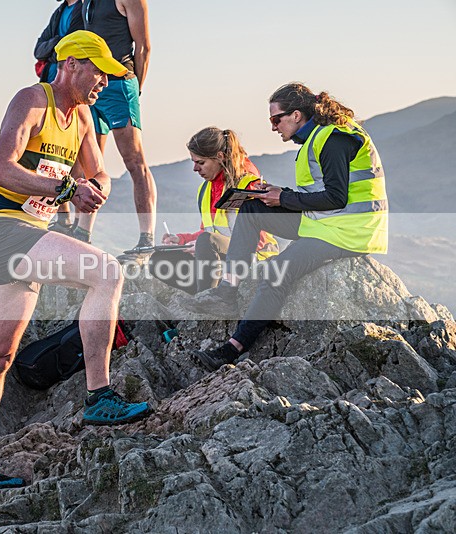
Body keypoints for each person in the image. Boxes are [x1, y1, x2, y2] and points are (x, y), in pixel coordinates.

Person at [0, 30, 151, 492]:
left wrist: (96, 187)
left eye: (110, 73)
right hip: (1, 229)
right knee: (106, 271)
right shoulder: (32, 101)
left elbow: (96, 169)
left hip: (28, 234)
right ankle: (99, 396)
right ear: (72, 65)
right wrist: (66, 190)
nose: (105, 80)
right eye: (99, 70)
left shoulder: (82, 117)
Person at [191, 83, 389, 371]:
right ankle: (227, 291)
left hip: (348, 231)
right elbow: (322, 194)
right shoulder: (318, 137)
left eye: (276, 119)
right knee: (251, 208)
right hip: (325, 221)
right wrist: (276, 194)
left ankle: (233, 348)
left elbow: (336, 197)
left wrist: (283, 197)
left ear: (296, 115)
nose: (273, 127)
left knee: (275, 272)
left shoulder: (334, 138)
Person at [149, 127, 278, 294]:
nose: (195, 169)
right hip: (222, 259)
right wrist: (180, 240)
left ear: (219, 157)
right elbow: (208, 232)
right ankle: (204, 294)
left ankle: (209, 300)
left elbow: (257, 240)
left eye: (201, 162)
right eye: (193, 162)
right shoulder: (205, 190)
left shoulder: (249, 185)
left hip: (254, 259)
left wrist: (205, 245)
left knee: (206, 242)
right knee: (159, 261)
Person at [77, 0, 157, 255]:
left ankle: (147, 237)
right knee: (91, 163)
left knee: (134, 161)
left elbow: (143, 47)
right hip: (92, 85)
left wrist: (136, 89)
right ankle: (83, 232)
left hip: (120, 84)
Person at [33, 0, 86, 238]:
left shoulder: (84, 8)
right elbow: (38, 49)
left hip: (75, 92)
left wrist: (55, 46)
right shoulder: (60, 12)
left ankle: (80, 226)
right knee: (53, 156)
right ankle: (63, 218)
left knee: (78, 158)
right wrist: (59, 43)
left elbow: (77, 45)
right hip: (52, 90)